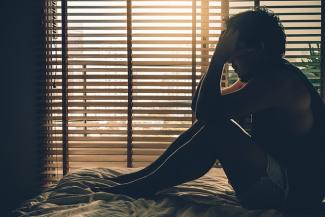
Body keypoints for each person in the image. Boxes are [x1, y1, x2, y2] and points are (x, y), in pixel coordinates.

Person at [96, 8, 325, 211]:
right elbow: (201, 107)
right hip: (279, 184)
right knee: (213, 122)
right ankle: (142, 178)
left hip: (294, 194)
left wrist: (217, 59)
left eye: (233, 50)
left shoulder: (279, 82)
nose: (231, 60)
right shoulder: (260, 77)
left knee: (219, 129)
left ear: (258, 49)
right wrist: (218, 59)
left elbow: (207, 112)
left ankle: (144, 185)